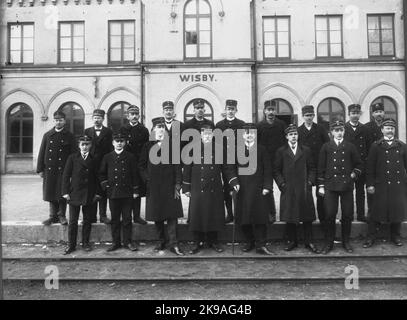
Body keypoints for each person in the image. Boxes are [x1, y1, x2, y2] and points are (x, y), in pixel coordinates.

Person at [182, 125, 239, 254]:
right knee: (198, 215)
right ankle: (198, 242)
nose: (207, 136)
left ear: (212, 135)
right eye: (204, 134)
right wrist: (186, 187)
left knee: (214, 215)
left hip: (215, 187)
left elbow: (227, 168)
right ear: (200, 135)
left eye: (209, 134)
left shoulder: (220, 149)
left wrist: (233, 181)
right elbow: (187, 169)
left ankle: (214, 241)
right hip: (197, 187)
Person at [139, 117, 185, 256]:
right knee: (157, 215)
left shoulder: (173, 146)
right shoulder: (147, 146)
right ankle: (161, 241)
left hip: (170, 186)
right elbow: (141, 165)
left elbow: (177, 166)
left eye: (163, 129)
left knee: (172, 216)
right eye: (157, 129)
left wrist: (178, 184)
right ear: (153, 131)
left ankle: (173, 243)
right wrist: (147, 179)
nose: (160, 131)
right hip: (154, 187)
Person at [317, 120, 363, 254]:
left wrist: (353, 174)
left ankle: (346, 242)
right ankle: (329, 242)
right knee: (330, 214)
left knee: (348, 214)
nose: (339, 133)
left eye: (341, 130)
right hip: (330, 186)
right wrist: (321, 185)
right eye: (336, 130)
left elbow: (359, 165)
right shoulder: (326, 147)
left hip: (347, 186)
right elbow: (321, 168)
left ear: (344, 131)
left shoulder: (350, 147)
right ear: (331, 132)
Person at [274, 124, 320, 254]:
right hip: (288, 188)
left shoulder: (305, 150)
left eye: (295, 134)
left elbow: (312, 168)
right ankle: (292, 241)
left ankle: (308, 241)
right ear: (286, 136)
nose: (293, 137)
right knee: (291, 216)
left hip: (304, 188)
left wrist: (310, 182)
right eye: (291, 134)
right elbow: (276, 170)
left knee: (307, 216)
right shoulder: (281, 151)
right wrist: (282, 184)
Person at [364, 118, 406, 248]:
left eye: (392, 128)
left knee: (396, 210)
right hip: (380, 184)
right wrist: (370, 184)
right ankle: (371, 237)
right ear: (382, 130)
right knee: (376, 211)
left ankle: (395, 236)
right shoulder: (376, 146)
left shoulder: (402, 145)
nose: (390, 131)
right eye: (387, 128)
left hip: (397, 184)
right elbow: (370, 167)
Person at [235, 123, 273, 255]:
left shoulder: (261, 150)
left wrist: (267, 186)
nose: (249, 135)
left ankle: (261, 244)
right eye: (246, 133)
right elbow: (230, 169)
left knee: (260, 218)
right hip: (242, 189)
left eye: (252, 133)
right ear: (242, 135)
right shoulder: (237, 150)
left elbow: (268, 170)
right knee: (244, 217)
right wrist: (234, 182)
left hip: (259, 189)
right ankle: (249, 242)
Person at [99, 133, 140, 252]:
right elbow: (101, 173)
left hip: (127, 193)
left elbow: (134, 175)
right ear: (113, 143)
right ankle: (115, 242)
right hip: (113, 193)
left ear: (125, 143)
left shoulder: (130, 157)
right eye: (117, 141)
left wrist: (135, 190)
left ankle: (128, 242)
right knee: (115, 219)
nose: (119, 143)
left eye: (121, 141)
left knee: (127, 219)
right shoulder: (107, 157)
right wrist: (106, 186)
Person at [62, 135, 101, 254]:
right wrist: (65, 192)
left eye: (87, 144)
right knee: (73, 221)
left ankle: (85, 243)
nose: (85, 147)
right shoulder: (72, 158)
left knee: (87, 220)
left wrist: (98, 193)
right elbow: (66, 175)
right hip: (75, 193)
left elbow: (98, 177)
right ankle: (71, 245)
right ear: (79, 145)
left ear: (91, 145)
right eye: (82, 144)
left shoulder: (94, 158)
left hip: (89, 194)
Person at [37, 110, 75, 226]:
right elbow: (42, 152)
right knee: (51, 192)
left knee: (62, 193)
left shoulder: (69, 136)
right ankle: (52, 216)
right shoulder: (48, 135)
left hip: (63, 170)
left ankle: (62, 216)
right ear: (54, 121)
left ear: (64, 121)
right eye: (56, 120)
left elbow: (73, 155)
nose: (58, 122)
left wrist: (72, 171)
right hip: (50, 169)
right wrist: (40, 169)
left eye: (60, 120)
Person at [298, 105, 330, 226]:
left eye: (311, 115)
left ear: (314, 116)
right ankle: (307, 219)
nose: (309, 118)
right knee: (306, 193)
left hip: (320, 165)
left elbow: (327, 146)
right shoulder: (299, 131)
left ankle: (323, 220)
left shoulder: (320, 129)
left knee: (321, 194)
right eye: (307, 115)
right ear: (303, 116)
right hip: (305, 167)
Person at [215, 99, 246, 224]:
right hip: (224, 160)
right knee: (226, 188)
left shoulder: (241, 124)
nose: (230, 111)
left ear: (236, 110)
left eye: (233, 109)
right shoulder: (219, 125)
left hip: (238, 160)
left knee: (239, 186)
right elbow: (217, 144)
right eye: (228, 109)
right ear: (225, 110)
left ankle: (239, 212)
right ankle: (230, 213)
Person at [256, 99, 287, 223]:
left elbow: (286, 142)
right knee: (267, 189)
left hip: (280, 162)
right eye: (268, 110)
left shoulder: (281, 125)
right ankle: (271, 214)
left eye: (273, 110)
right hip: (265, 163)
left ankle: (286, 214)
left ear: (275, 111)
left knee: (285, 186)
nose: (271, 112)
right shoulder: (259, 126)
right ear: (264, 111)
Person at [119, 105, 149, 225]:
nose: (135, 116)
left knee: (138, 190)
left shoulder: (144, 130)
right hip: (126, 163)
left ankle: (136, 216)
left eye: (137, 114)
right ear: (128, 116)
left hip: (139, 163)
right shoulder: (123, 129)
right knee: (126, 189)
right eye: (132, 114)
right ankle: (126, 216)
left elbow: (146, 148)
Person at [84, 109, 113, 224]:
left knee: (103, 190)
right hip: (91, 165)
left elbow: (111, 149)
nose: (97, 120)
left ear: (103, 119)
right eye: (95, 117)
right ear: (92, 118)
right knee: (91, 190)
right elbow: (84, 148)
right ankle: (91, 216)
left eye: (99, 117)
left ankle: (103, 215)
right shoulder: (87, 131)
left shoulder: (108, 132)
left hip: (104, 165)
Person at [344, 104, 369, 222]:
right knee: (347, 191)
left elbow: (368, 147)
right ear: (349, 114)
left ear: (360, 114)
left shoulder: (365, 129)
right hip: (347, 164)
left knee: (360, 191)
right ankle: (347, 216)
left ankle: (360, 215)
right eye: (353, 113)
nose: (355, 115)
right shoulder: (343, 128)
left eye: (357, 113)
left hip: (361, 164)